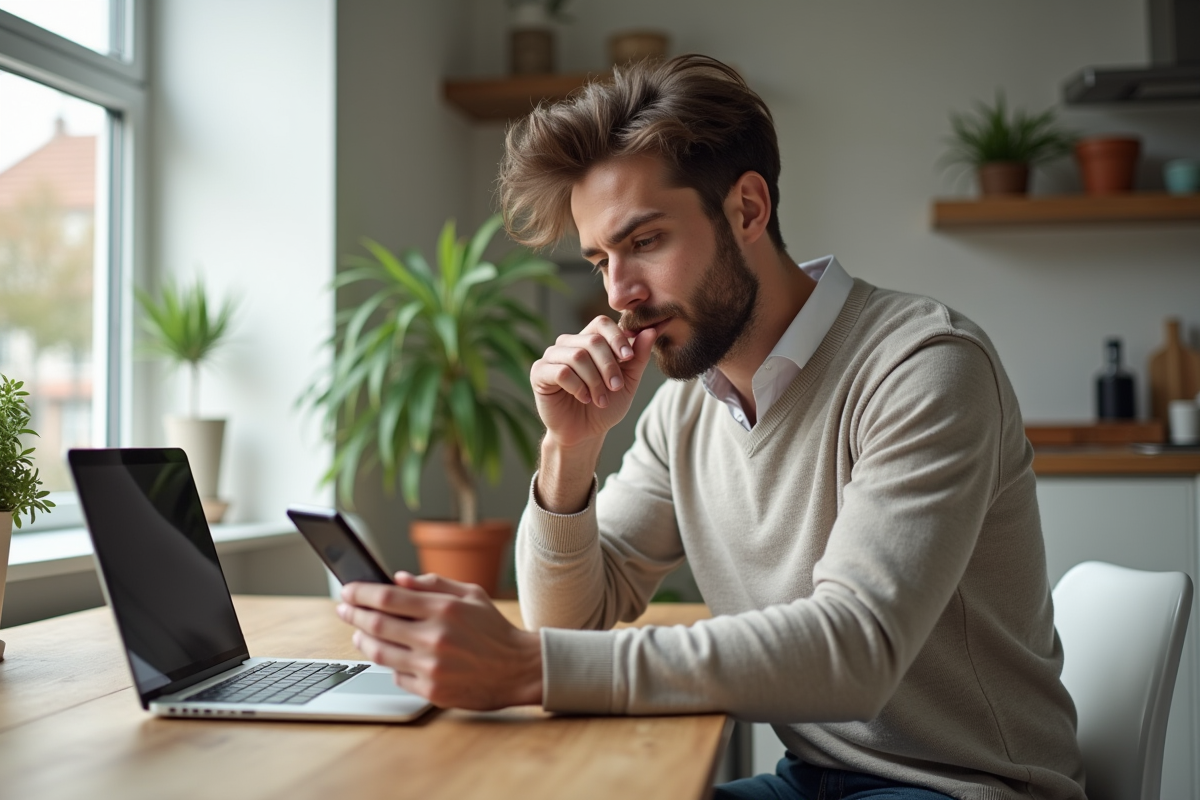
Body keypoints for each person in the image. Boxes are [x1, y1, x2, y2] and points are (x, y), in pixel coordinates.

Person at [336, 55, 1086, 800]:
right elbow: (575, 620)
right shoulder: (690, 404)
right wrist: (571, 447)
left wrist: (531, 668)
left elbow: (858, 651)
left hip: (964, 787)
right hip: (810, 780)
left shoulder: (923, 367)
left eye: (646, 241)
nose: (619, 294)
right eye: (600, 258)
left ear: (748, 210)